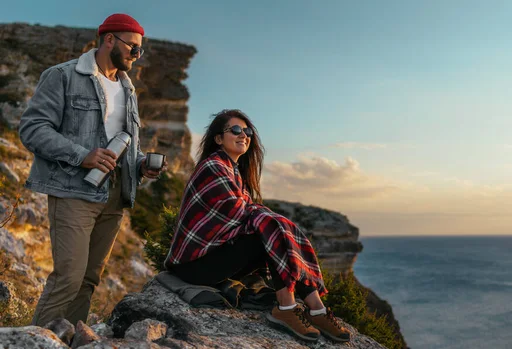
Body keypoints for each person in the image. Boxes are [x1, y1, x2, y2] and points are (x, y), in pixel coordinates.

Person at [19, 13, 167, 327]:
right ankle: (36, 341)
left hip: (116, 195)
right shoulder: (63, 75)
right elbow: (32, 129)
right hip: (74, 190)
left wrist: (141, 164)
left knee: (88, 280)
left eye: (140, 50)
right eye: (133, 47)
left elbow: (125, 144)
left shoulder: (128, 92)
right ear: (109, 39)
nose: (136, 55)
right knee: (68, 278)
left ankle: (68, 339)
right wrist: (83, 155)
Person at [164, 109, 351, 342]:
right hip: (192, 266)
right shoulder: (213, 166)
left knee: (272, 229)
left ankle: (317, 309)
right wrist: (273, 221)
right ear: (219, 139)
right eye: (235, 130)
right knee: (269, 229)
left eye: (247, 131)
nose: (244, 135)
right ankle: (286, 309)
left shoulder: (234, 172)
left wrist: (271, 221)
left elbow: (245, 216)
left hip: (212, 259)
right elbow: (237, 213)